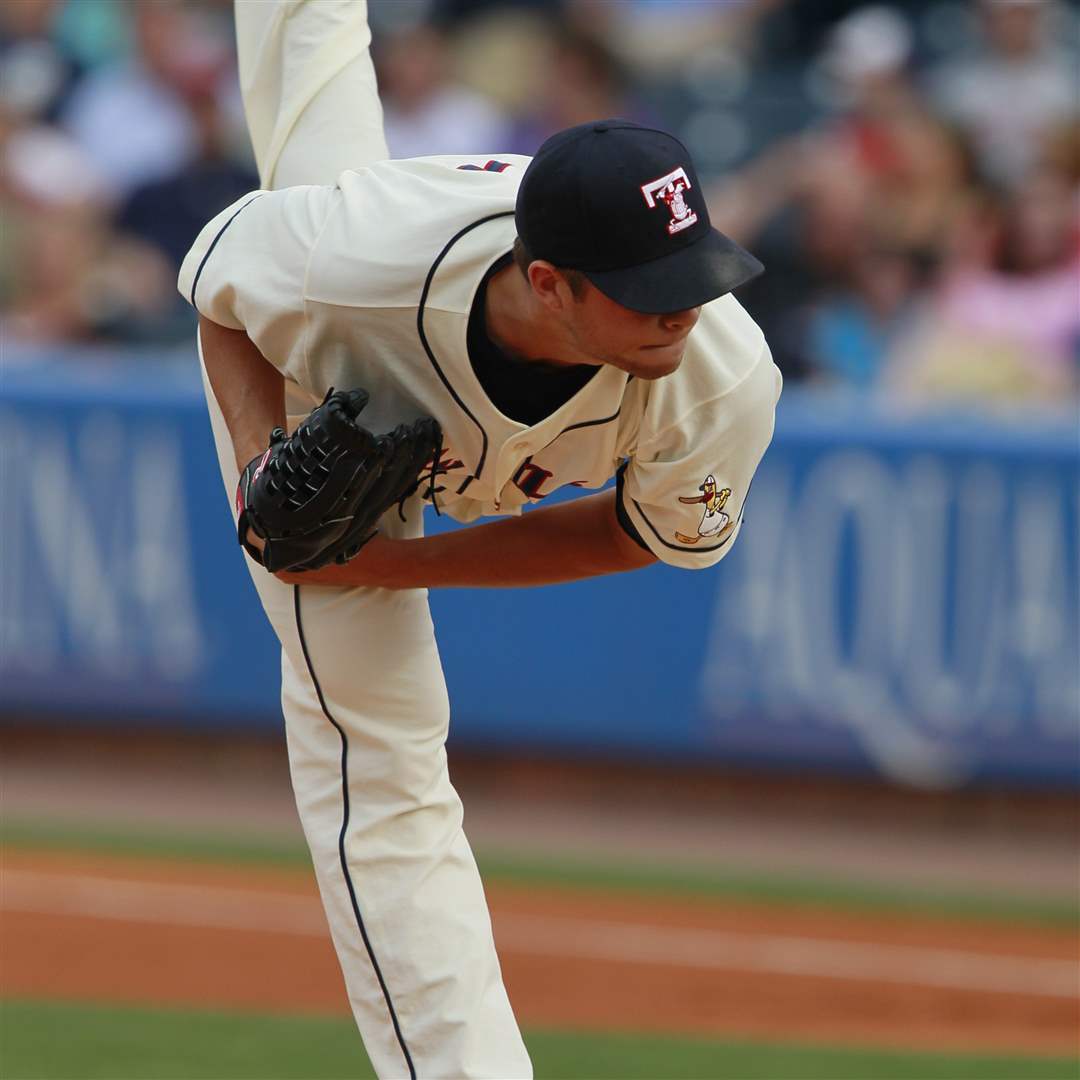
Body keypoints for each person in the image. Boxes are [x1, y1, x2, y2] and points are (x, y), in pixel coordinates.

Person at [179, 2, 781, 1076]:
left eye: (693, 274)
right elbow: (219, 285)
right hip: (344, 382)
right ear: (550, 284)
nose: (684, 311)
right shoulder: (350, 265)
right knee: (384, 755)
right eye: (649, 294)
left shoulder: (720, 376)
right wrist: (262, 458)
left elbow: (644, 534)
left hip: (394, 320)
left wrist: (405, 566)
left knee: (316, 60)